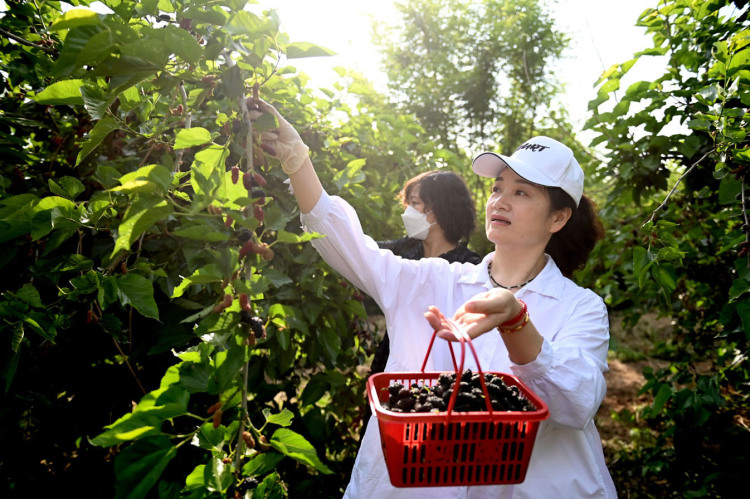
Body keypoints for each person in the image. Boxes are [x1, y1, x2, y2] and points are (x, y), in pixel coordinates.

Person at [255, 100, 617, 498]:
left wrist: (517, 324)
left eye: (522, 192)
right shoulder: (435, 279)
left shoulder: (580, 307)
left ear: (558, 218)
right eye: (497, 188)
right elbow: (350, 246)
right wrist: (297, 158)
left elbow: (577, 400)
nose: (500, 200)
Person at [362, 170, 482, 436]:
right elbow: (360, 252)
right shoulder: (401, 252)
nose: (408, 211)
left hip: (443, 371)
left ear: (439, 209)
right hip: (393, 360)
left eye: (415, 203)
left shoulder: (471, 267)